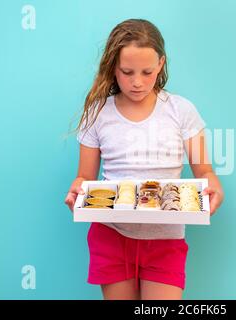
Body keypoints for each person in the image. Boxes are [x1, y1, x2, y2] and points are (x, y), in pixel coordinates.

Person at [64, 19, 224, 300]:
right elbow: (85, 178)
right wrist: (77, 191)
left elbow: (204, 171)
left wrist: (213, 185)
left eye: (147, 72)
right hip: (111, 235)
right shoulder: (98, 113)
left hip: (165, 239)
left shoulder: (180, 110)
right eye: (127, 72)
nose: (137, 82)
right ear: (113, 66)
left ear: (161, 64)